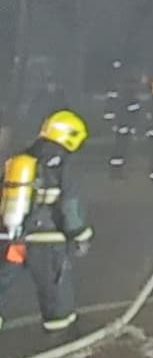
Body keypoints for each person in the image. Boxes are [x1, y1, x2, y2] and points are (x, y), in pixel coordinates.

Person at [0, 111, 94, 334]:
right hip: (46, 242)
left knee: (2, 284)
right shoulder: (62, 163)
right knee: (55, 290)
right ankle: (60, 339)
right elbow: (69, 205)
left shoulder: (21, 158)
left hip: (14, 241)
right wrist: (81, 235)